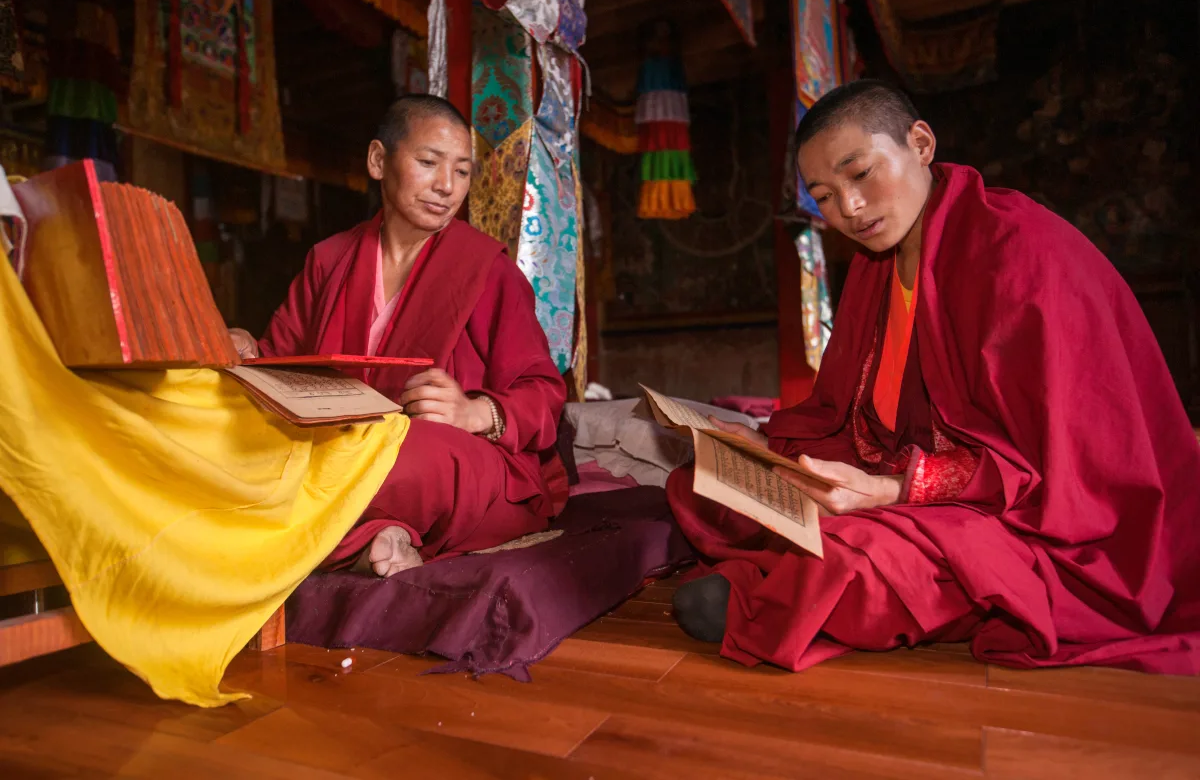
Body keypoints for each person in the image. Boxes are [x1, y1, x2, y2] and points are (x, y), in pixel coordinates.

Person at [667, 79, 1200, 674]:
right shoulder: (877, 266)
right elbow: (850, 417)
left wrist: (898, 491)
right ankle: (794, 573)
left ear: (920, 143)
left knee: (857, 563)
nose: (849, 207)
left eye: (860, 173)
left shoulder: (1020, 254)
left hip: (1036, 519)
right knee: (699, 485)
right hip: (904, 481)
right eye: (823, 195)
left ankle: (788, 586)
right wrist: (765, 451)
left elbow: (1065, 473)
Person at [229, 94, 567, 578]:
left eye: (462, 171)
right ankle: (378, 535)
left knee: (408, 458)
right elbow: (280, 365)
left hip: (440, 458)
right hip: (338, 445)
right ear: (378, 161)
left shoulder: (487, 270)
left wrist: (476, 412)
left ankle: (306, 533)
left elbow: (544, 393)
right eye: (428, 162)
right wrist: (247, 350)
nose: (447, 187)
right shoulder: (329, 260)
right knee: (245, 443)